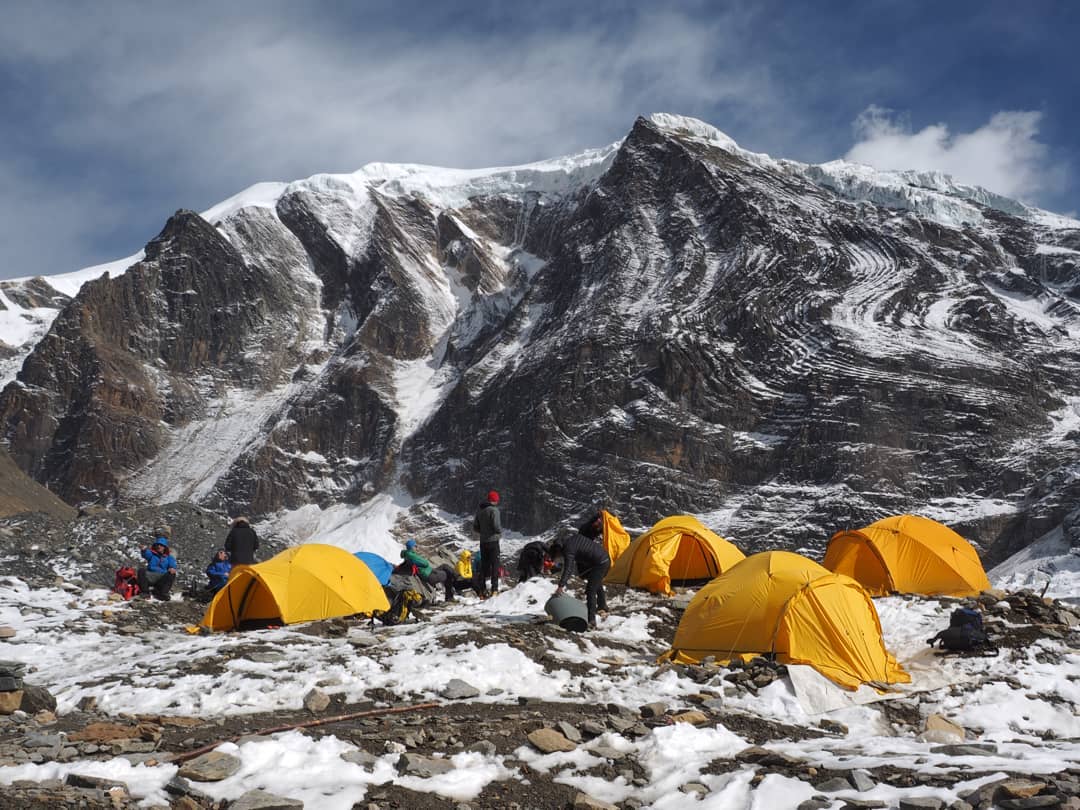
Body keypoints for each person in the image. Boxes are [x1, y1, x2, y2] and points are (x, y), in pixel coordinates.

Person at [550, 530, 611, 629]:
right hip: (602, 558)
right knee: (596, 582)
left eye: (558, 556)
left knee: (591, 590)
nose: (560, 558)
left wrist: (561, 585)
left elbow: (568, 568)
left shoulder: (568, 549)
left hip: (600, 563)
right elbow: (582, 553)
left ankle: (591, 621)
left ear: (559, 550)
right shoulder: (570, 540)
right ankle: (602, 606)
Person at [473, 490, 502, 597]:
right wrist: (499, 531)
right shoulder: (494, 510)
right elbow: (496, 525)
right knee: (495, 565)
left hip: (483, 542)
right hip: (493, 541)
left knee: (484, 566)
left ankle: (482, 590)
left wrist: (483, 532)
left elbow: (475, 527)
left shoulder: (480, 510)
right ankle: (494, 589)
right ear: (495, 500)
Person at [137, 534, 178, 600]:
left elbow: (172, 564)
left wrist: (172, 568)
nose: (159, 546)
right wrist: (144, 550)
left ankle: (162, 593)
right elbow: (146, 554)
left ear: (164, 547)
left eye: (161, 545)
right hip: (151, 576)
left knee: (172, 574)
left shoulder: (168, 557)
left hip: (162, 577)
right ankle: (145, 592)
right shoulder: (152, 554)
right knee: (141, 571)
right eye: (158, 545)